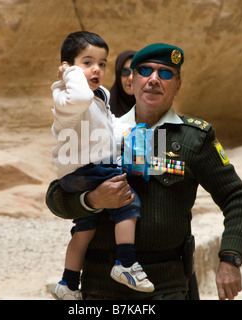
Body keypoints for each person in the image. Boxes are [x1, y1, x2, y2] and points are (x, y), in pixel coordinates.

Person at [46, 43, 242, 300]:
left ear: (178, 85)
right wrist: (92, 200)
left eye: (166, 73)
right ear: (131, 81)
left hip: (165, 287)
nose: (154, 80)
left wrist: (230, 259)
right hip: (99, 287)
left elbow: (237, 198)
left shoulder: (194, 138)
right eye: (145, 71)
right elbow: (57, 196)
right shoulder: (100, 129)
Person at [50, 31, 154, 300]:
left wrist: (132, 132)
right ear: (68, 66)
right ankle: (126, 263)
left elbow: (111, 126)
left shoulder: (100, 96)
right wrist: (68, 74)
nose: (97, 69)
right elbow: (81, 99)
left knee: (85, 228)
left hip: (88, 171)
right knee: (127, 200)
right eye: (87, 62)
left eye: (102, 63)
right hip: (84, 169)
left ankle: (68, 283)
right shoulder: (67, 97)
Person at [110, 50, 137, 117]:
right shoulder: (104, 107)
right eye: (125, 71)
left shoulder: (152, 109)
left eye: (136, 72)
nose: (131, 78)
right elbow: (84, 126)